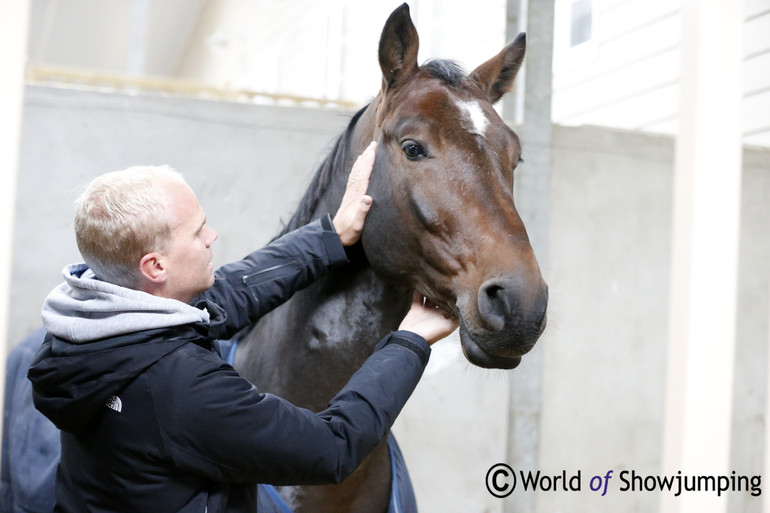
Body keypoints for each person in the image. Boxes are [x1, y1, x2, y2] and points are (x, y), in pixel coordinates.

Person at [27, 141, 458, 513]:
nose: (212, 236)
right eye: (197, 233)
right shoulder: (183, 388)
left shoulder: (90, 325)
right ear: (155, 266)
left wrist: (331, 236)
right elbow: (332, 448)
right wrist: (411, 340)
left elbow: (226, 295)